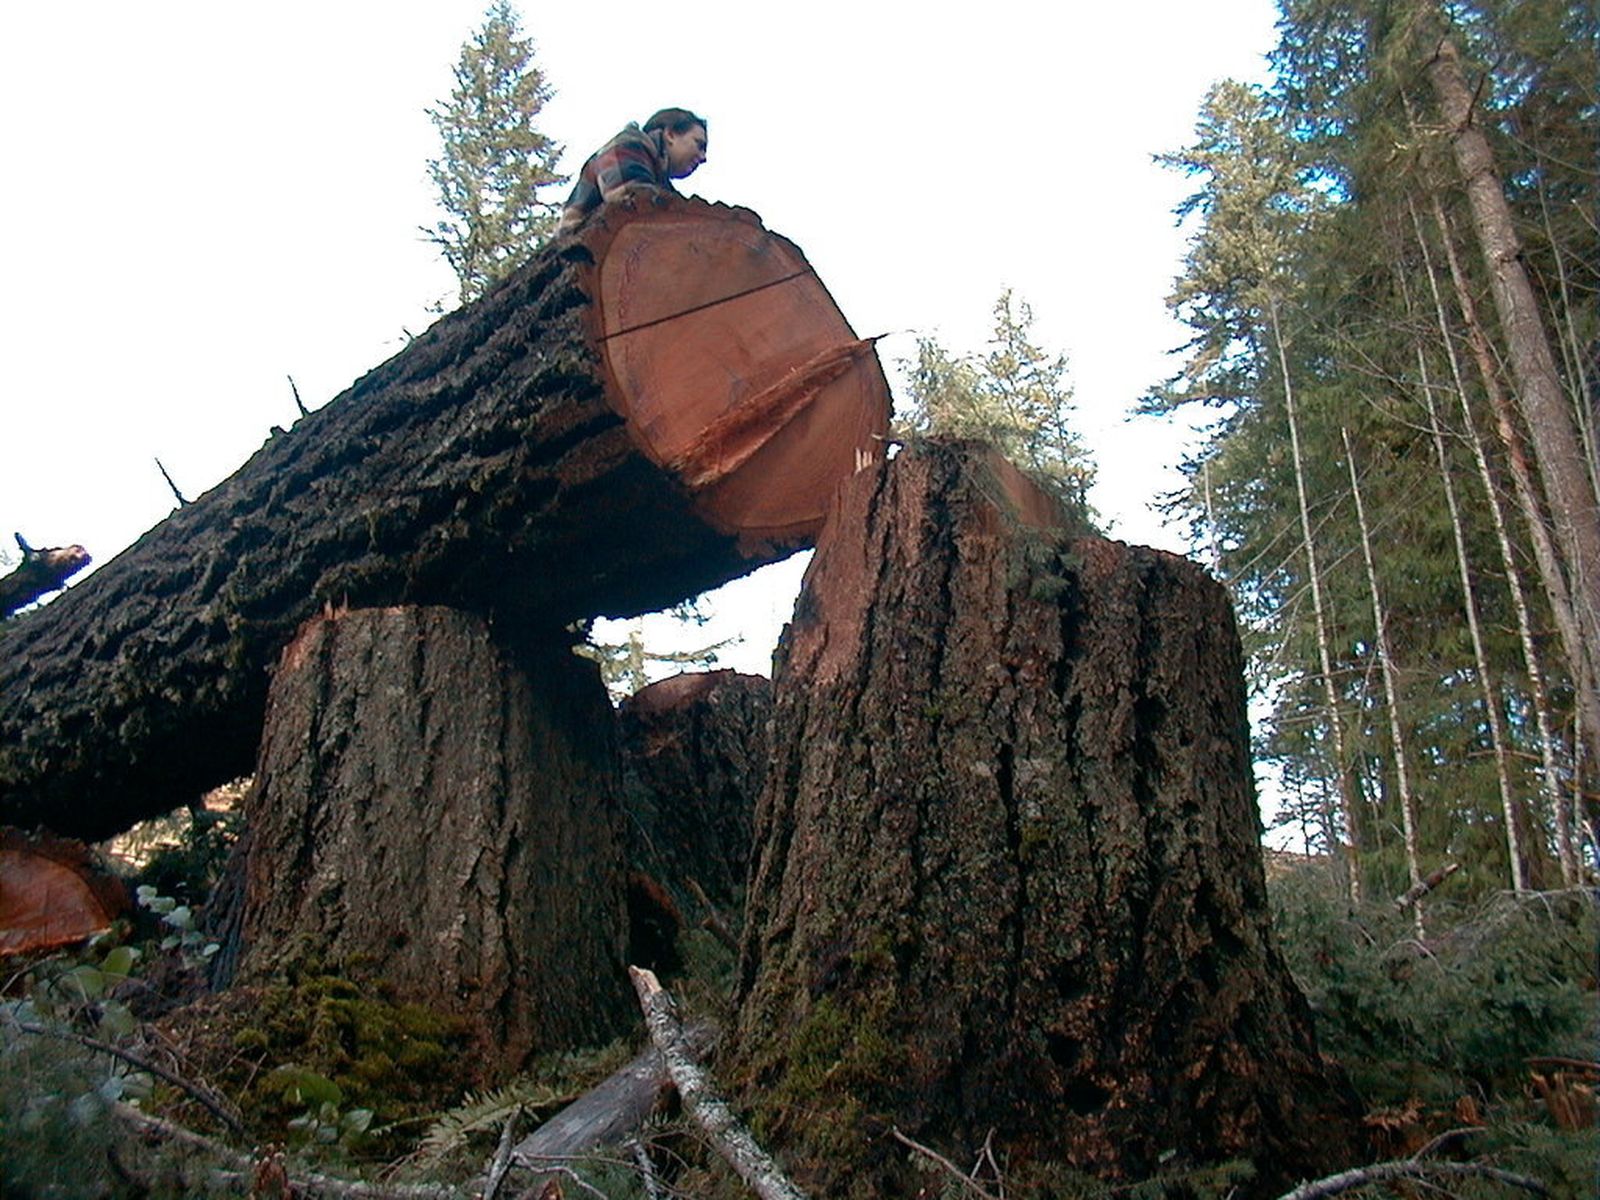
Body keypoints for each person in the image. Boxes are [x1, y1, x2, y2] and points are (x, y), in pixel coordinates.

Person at [557, 108, 709, 235]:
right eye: (699, 145)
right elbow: (633, 199)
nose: (703, 158)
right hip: (578, 257)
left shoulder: (659, 182)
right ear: (670, 134)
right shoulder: (628, 145)